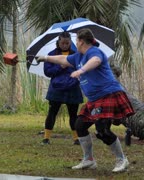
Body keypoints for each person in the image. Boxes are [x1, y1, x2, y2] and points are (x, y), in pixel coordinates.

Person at [36, 28, 135, 173]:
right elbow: (62, 59)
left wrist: (81, 71)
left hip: (108, 94)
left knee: (102, 130)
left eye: (76, 41)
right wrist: (45, 58)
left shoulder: (93, 52)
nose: (75, 43)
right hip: (94, 99)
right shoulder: (78, 57)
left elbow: (95, 61)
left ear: (81, 42)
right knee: (80, 125)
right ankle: (88, 160)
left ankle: (122, 159)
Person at [41, 32, 83, 145]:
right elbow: (48, 72)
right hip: (56, 88)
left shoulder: (76, 55)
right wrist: (61, 66)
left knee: (73, 114)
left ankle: (76, 139)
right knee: (52, 113)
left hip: (72, 88)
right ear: (58, 42)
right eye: (62, 43)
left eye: (67, 43)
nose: (65, 45)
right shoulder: (51, 55)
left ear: (70, 42)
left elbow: (82, 70)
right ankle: (46, 138)